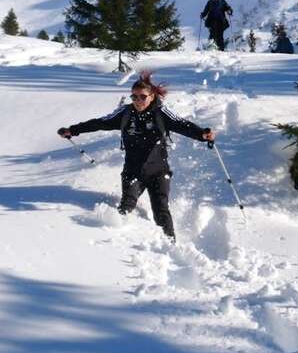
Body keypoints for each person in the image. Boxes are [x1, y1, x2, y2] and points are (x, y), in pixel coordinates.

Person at [57, 72, 215, 241]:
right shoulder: (125, 113)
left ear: (152, 96)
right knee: (126, 207)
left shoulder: (161, 113)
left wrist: (201, 134)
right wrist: (73, 130)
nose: (138, 101)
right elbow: (100, 122)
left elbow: (182, 125)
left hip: (159, 171)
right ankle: (121, 245)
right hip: (133, 171)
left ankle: (170, 244)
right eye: (134, 97)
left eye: (142, 97)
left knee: (161, 210)